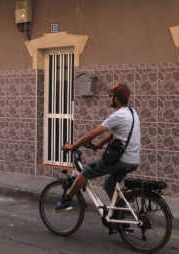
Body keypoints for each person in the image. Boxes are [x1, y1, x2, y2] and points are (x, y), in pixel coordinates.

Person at [56, 83, 141, 211]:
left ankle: (66, 200)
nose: (110, 98)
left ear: (116, 99)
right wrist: (100, 144)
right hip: (133, 159)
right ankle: (120, 216)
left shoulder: (118, 115)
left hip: (121, 159)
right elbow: (115, 134)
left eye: (111, 96)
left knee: (87, 170)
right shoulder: (132, 113)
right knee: (109, 185)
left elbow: (91, 134)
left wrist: (73, 146)